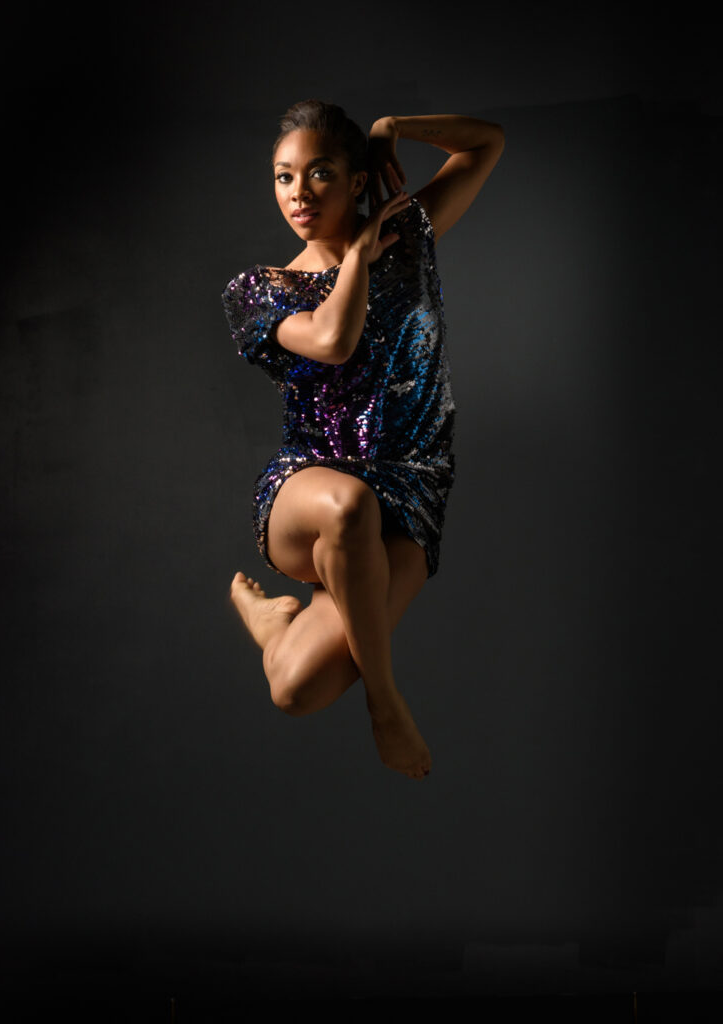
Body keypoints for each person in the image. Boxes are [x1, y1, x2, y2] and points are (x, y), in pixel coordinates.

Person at [222, 101, 504, 780]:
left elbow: (485, 143)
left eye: (319, 174)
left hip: (413, 489)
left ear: (357, 180)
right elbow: (332, 339)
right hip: (310, 485)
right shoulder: (261, 292)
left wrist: (396, 129)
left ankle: (272, 626)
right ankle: (387, 707)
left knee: (295, 689)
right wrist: (357, 257)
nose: (299, 193)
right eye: (284, 177)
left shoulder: (411, 238)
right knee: (349, 507)